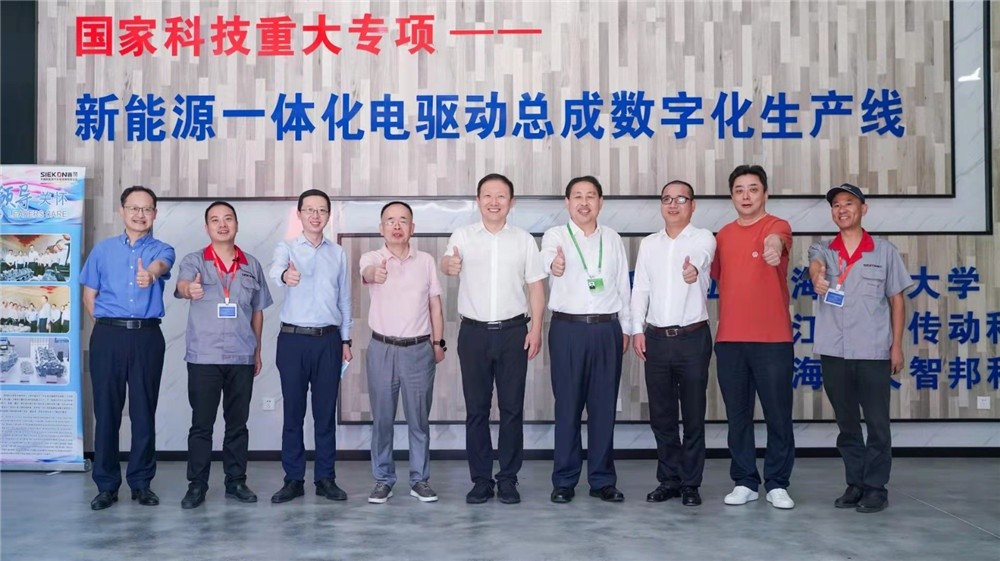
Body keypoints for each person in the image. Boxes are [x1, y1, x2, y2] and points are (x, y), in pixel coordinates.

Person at [441, 173, 546, 505]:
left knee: (512, 408)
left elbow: (536, 287)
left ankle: (509, 478)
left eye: (501, 196)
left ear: (511, 202)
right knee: (477, 410)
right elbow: (447, 261)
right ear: (478, 201)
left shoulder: (524, 240)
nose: (494, 202)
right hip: (473, 333)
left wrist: (536, 328)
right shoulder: (463, 235)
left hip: (514, 332)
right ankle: (482, 480)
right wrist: (449, 265)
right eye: (487, 195)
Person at [808, 184, 911, 514]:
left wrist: (897, 346)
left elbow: (897, 301)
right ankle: (855, 482)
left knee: (878, 423)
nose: (842, 209)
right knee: (847, 423)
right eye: (836, 205)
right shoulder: (823, 249)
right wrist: (817, 277)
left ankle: (876, 487)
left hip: (873, 351)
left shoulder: (884, 252)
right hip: (834, 352)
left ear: (863, 209)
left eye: (849, 203)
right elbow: (815, 266)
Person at [80, 185, 175, 510]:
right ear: (122, 211)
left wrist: (151, 274)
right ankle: (106, 486)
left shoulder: (162, 249)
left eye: (147, 209)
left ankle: (141, 483)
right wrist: (109, 327)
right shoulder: (103, 250)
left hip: (147, 337)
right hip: (108, 335)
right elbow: (89, 296)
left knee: (143, 411)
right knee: (106, 411)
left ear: (155, 214)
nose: (140, 214)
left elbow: (162, 265)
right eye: (134, 208)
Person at [175, 201, 273, 509]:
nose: (222, 224)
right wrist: (188, 290)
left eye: (228, 218)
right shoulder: (195, 261)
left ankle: (236, 481)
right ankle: (197, 485)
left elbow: (258, 311)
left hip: (241, 356)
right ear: (207, 228)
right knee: (201, 425)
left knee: (237, 424)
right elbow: (182, 286)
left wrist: (257, 350)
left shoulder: (251, 265)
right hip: (203, 357)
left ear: (236, 225)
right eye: (215, 220)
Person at [541, 175, 631, 504]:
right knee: (567, 407)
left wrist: (626, 327)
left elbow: (622, 286)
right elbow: (546, 260)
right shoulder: (556, 236)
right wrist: (554, 264)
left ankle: (602, 480)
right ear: (567, 203)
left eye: (590, 196)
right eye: (577, 196)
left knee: (603, 408)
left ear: (600, 202)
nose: (584, 202)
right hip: (568, 329)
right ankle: (564, 480)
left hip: (607, 329)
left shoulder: (612, 238)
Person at [711, 164, 796, 510]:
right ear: (732, 196)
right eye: (739, 190)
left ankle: (777, 483)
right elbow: (713, 276)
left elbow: (777, 241)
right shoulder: (722, 236)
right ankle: (744, 480)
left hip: (773, 339)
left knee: (778, 415)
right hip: (730, 340)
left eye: (753, 189)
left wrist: (772, 247)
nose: (746, 196)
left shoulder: (777, 226)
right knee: (738, 416)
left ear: (765, 193)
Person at [630, 180, 716, 507]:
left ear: (693, 205)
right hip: (656, 338)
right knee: (662, 416)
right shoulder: (649, 244)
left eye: (681, 199)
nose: (673, 204)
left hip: (692, 338)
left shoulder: (703, 238)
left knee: (693, 415)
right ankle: (669, 479)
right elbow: (641, 288)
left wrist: (693, 269)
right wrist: (637, 329)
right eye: (667, 199)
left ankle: (691, 483)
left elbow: (702, 259)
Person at [268, 189, 353, 504]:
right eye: (309, 210)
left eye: (322, 210)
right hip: (293, 340)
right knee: (293, 413)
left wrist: (346, 339)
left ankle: (325, 478)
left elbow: (344, 299)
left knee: (324, 413)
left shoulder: (338, 253)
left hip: (328, 340)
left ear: (328, 215)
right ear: (299, 214)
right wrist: (285, 275)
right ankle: (293, 479)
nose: (316, 216)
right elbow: (275, 271)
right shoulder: (287, 248)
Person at [360, 201, 446, 504]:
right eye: (390, 221)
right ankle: (383, 480)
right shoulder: (372, 257)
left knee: (418, 420)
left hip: (419, 350)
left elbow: (435, 305)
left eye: (403, 221)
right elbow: (367, 273)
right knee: (382, 420)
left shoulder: (425, 261)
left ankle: (419, 480)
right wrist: (375, 273)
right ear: (381, 228)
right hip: (382, 348)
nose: (397, 226)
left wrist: (438, 343)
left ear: (412, 227)